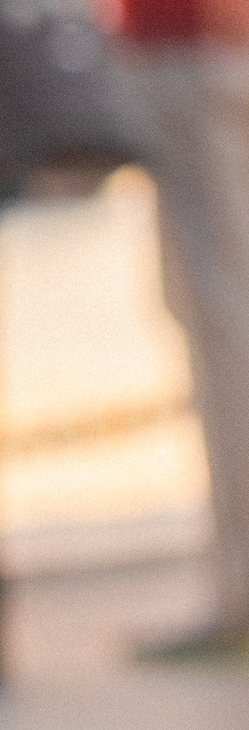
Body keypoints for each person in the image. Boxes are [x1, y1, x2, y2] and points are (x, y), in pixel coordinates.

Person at [108, 0, 249, 661]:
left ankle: (241, 589)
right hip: (187, 55)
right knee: (209, 313)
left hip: (200, 55)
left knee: (225, 323)